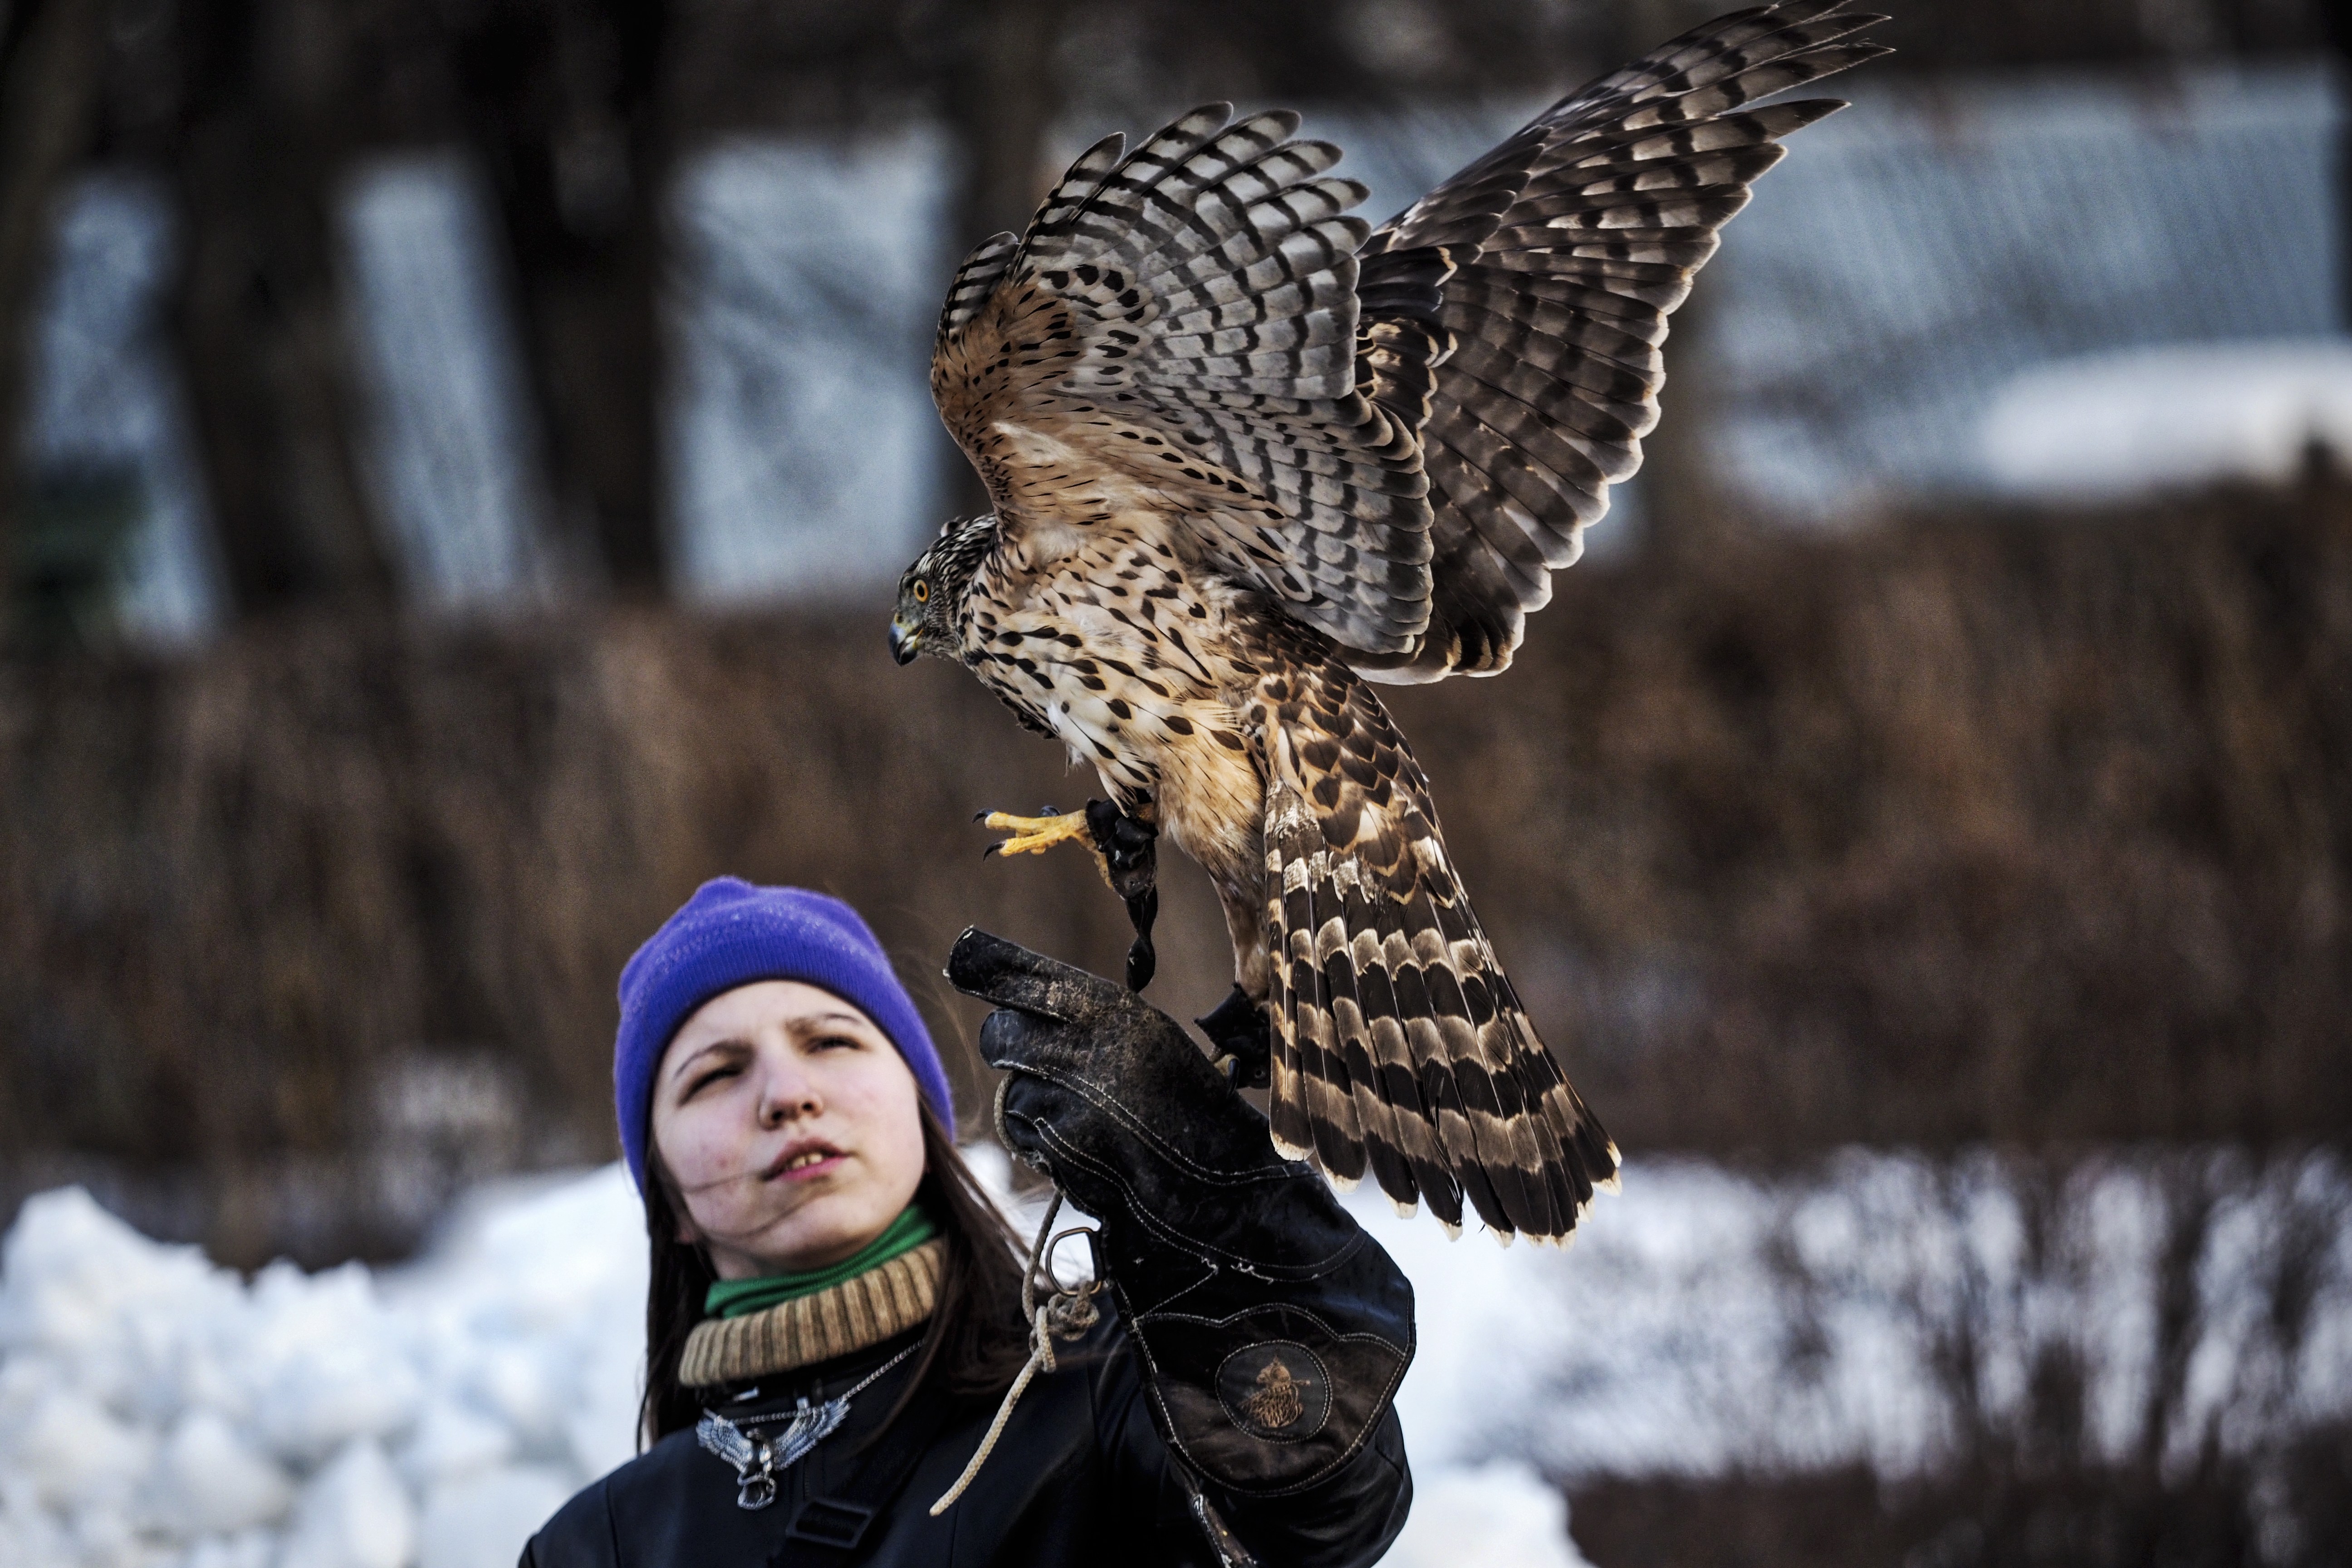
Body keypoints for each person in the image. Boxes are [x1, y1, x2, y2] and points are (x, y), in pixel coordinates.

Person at [521, 877, 1414, 1566]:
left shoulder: (1115, 1378)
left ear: (920, 1111)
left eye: (830, 1041)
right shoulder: (594, 1547)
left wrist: (1227, 1213)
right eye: (715, 1075)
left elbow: (1322, 1516)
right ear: (666, 1199)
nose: (787, 1095)